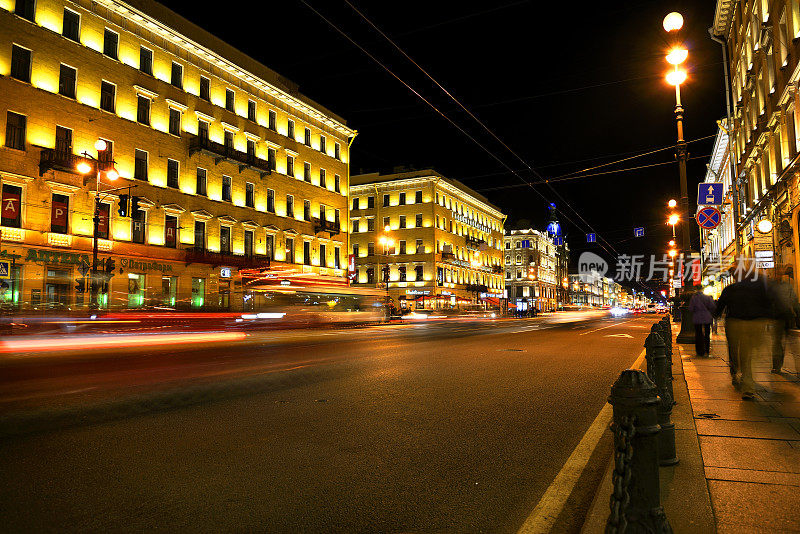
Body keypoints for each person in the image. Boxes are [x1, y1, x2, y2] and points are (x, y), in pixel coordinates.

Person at [714, 263, 776, 399]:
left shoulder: (730, 289)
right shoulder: (759, 288)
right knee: (748, 355)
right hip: (756, 323)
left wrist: (715, 316)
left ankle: (735, 370)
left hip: (735, 323)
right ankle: (748, 386)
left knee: (735, 351)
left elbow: (719, 307)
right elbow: (770, 301)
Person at [768, 265, 800, 373]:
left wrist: (795, 313)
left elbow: (794, 299)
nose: (779, 274)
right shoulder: (770, 287)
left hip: (787, 316)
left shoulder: (786, 286)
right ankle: (777, 366)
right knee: (777, 343)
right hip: (777, 318)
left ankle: (797, 367)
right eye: (777, 272)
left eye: (780, 272)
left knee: (791, 343)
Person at [689, 289, 716, 357]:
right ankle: (707, 349)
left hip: (697, 318)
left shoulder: (694, 298)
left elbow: (691, 308)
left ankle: (699, 350)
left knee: (698, 334)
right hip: (707, 317)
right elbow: (713, 306)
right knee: (707, 334)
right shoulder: (707, 297)